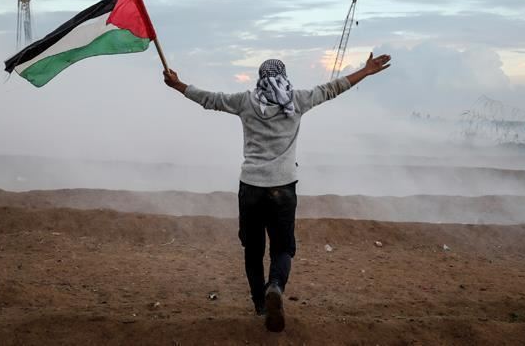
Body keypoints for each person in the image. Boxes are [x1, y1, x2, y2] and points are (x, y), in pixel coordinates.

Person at [163, 52, 391, 332]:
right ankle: (275, 287)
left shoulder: (246, 101)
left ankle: (260, 304)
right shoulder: (297, 100)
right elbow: (333, 88)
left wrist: (178, 85)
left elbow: (210, 99)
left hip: (251, 188)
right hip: (283, 188)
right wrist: (365, 71)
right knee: (282, 248)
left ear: (260, 78)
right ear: (284, 77)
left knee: (253, 250)